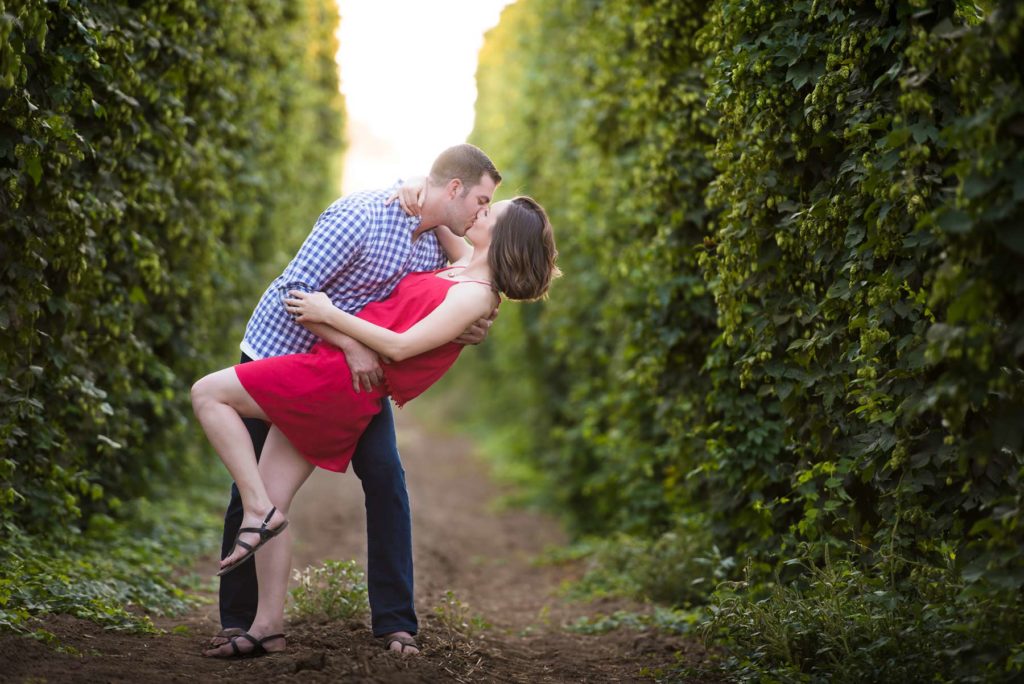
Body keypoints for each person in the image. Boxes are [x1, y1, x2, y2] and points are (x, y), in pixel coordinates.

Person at [192, 196, 559, 658]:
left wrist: (329, 315)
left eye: (491, 212)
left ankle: (259, 514)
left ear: (506, 237)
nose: (479, 212)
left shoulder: (476, 295)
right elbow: (438, 204)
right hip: (332, 372)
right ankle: (267, 626)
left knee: (208, 393)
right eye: (483, 204)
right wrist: (409, 183)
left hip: (335, 383)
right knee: (271, 499)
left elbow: (402, 347)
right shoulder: (466, 265)